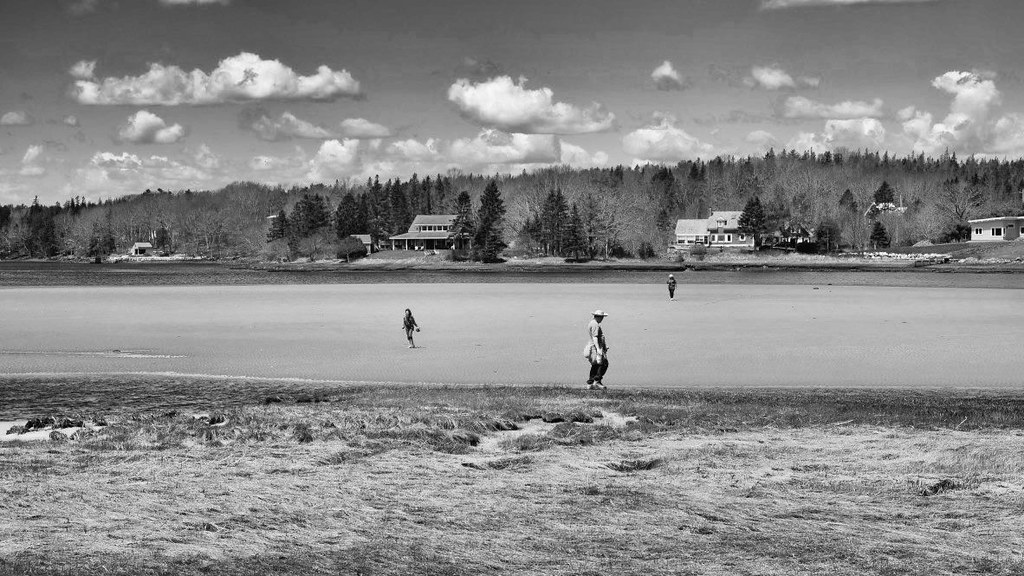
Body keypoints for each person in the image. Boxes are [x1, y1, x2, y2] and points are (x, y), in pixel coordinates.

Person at [585, 309, 609, 389]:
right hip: (595, 347)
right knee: (604, 364)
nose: (602, 319)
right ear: (599, 317)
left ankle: (590, 383)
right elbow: (595, 337)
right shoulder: (595, 324)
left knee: (595, 365)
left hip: (592, 347)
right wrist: (598, 349)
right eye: (602, 317)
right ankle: (597, 381)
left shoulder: (592, 323)